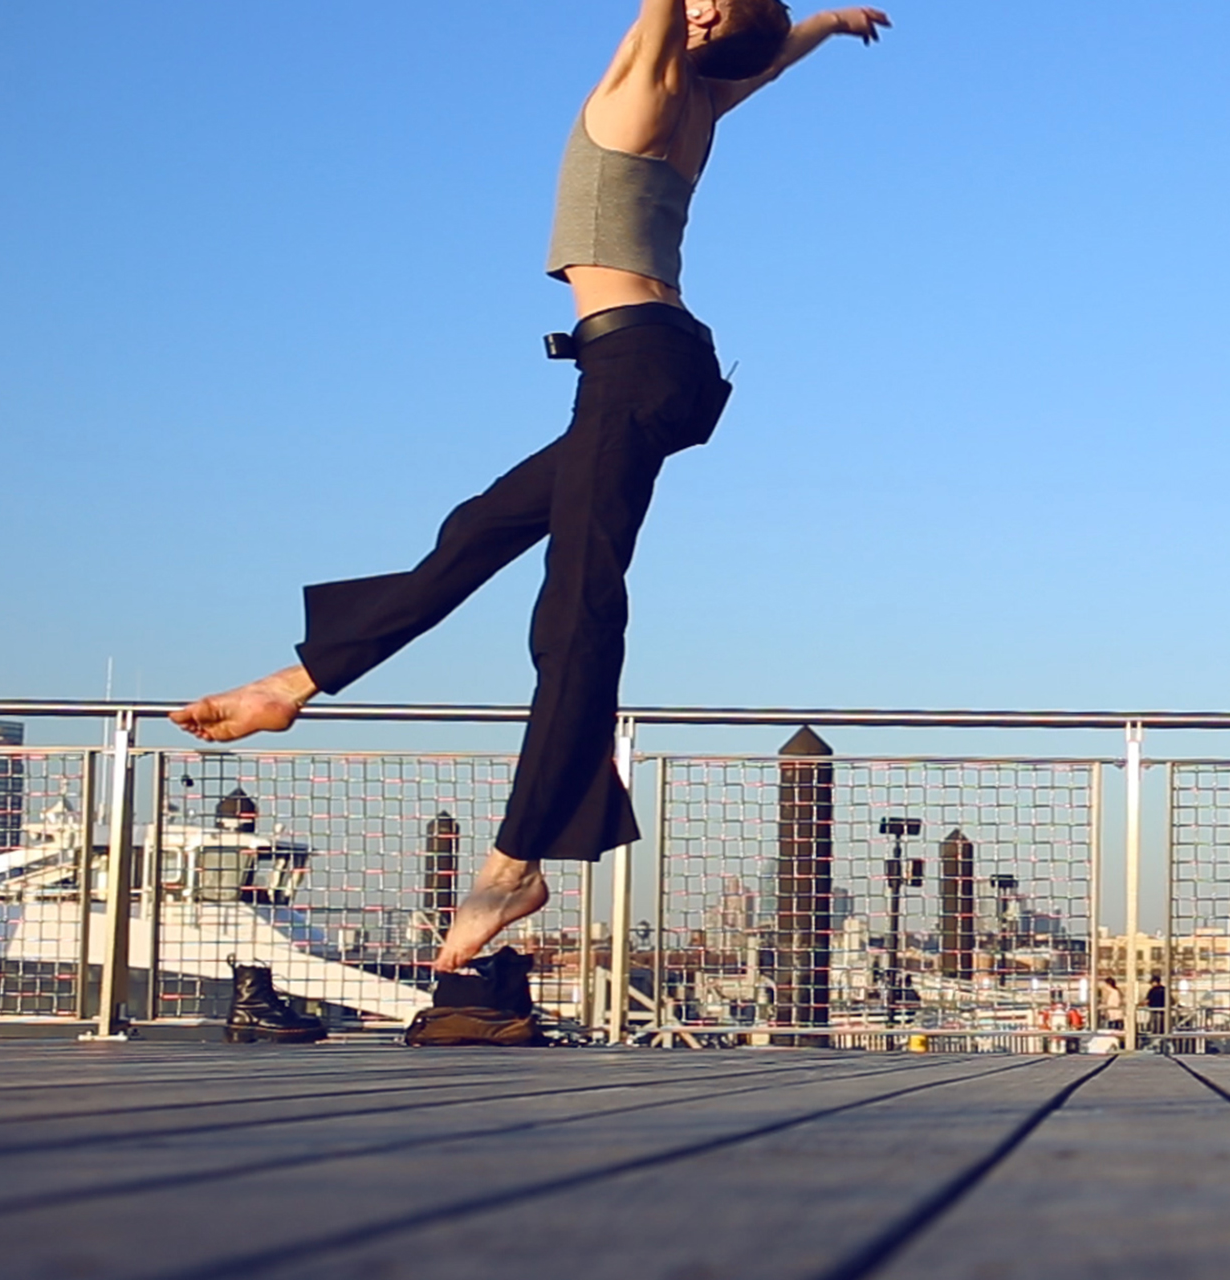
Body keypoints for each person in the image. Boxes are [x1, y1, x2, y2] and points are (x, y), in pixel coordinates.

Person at [171, 1, 892, 974]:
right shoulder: (706, 101)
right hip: (652, 364)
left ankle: (516, 859)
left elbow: (718, 34)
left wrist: (798, 23)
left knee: (577, 602)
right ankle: (291, 682)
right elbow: (767, 63)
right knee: (476, 532)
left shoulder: (654, 82)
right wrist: (826, 24)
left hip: (636, 363)